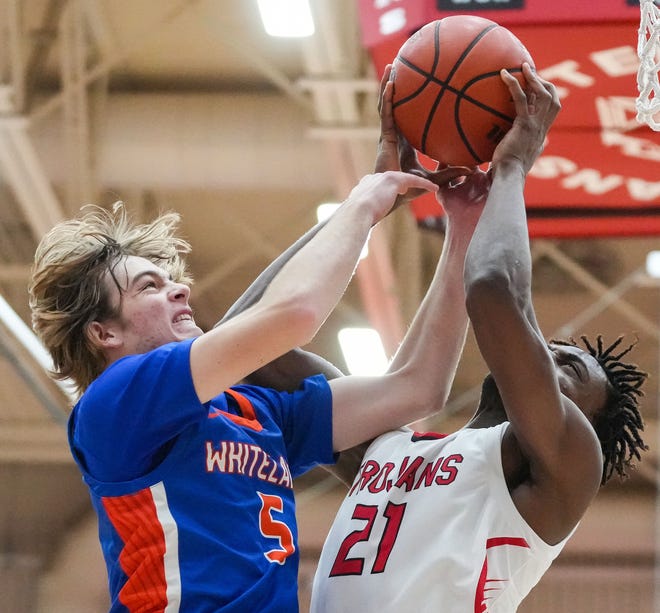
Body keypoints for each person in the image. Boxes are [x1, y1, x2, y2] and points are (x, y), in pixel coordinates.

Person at [27, 83, 478, 609]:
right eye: (148, 286)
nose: (180, 287)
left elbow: (418, 387)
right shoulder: (117, 402)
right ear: (104, 333)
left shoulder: (254, 408)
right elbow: (292, 315)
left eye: (169, 278)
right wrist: (361, 206)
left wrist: (463, 226)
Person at [306, 63, 648, 613]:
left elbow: (492, 291)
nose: (547, 354)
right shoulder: (383, 450)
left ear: (583, 423)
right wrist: (365, 204)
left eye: (569, 372)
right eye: (553, 349)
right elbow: (252, 349)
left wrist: (512, 168)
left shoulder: (568, 460)